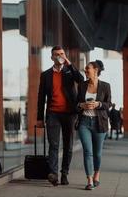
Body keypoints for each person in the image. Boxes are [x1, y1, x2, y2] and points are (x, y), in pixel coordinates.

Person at [37, 45, 84, 186]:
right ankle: (53, 174)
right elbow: (41, 97)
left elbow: (81, 79)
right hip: (53, 114)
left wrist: (69, 63)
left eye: (62, 53)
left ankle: (64, 173)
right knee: (54, 144)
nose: (59, 56)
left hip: (69, 114)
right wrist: (39, 118)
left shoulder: (69, 71)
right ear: (52, 57)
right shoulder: (45, 75)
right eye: (57, 54)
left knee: (68, 145)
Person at [76, 60, 111, 190]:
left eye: (87, 69)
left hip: (99, 123)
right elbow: (76, 104)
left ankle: (97, 172)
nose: (85, 72)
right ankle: (89, 179)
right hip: (84, 122)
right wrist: (81, 105)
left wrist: (99, 104)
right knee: (87, 151)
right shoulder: (81, 85)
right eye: (85, 70)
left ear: (95, 70)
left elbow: (109, 104)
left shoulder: (106, 86)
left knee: (97, 153)